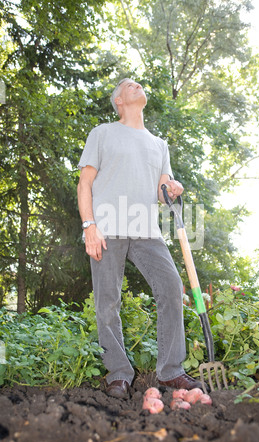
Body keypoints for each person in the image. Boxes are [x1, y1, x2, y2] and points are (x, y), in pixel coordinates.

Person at [77, 78, 204, 398]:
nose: (137, 85)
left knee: (172, 287)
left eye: (139, 84)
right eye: (128, 85)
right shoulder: (102, 133)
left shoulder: (159, 144)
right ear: (118, 100)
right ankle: (118, 372)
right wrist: (88, 225)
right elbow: (84, 183)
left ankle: (170, 370)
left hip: (148, 231)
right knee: (107, 302)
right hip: (106, 228)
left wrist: (174, 188)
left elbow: (165, 189)